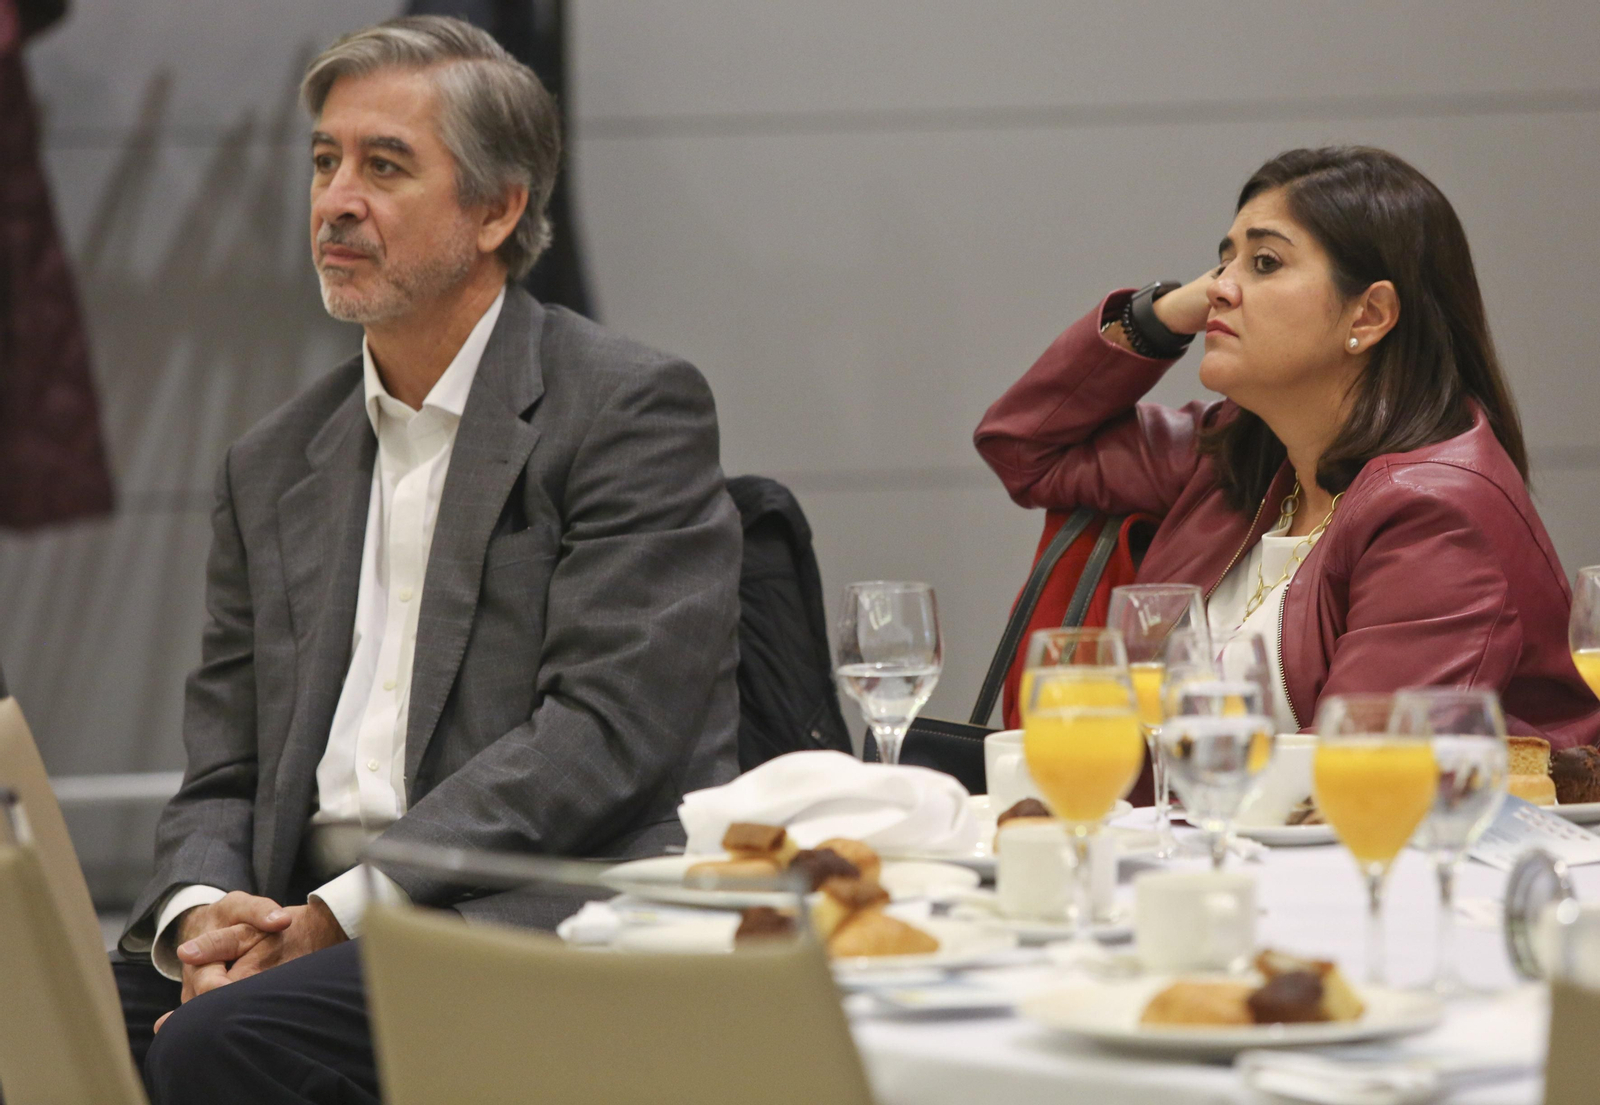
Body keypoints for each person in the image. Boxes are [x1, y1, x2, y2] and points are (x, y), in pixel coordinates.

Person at [112, 17, 742, 1103]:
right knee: (66, 1007)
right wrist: (203, 912)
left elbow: (601, 733)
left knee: (217, 1045)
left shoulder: (626, 407)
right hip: (309, 909)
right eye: (324, 162)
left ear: (497, 209)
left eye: (384, 166)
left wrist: (340, 910)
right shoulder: (269, 465)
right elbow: (223, 769)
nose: (335, 200)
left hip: (529, 908)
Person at [976, 145, 1600, 744]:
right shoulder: (1239, 455)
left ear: (1369, 316)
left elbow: (1359, 773)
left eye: (1265, 263)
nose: (1219, 287)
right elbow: (1025, 446)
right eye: (1225, 262)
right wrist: (1158, 315)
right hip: (1210, 841)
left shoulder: (1438, 512)